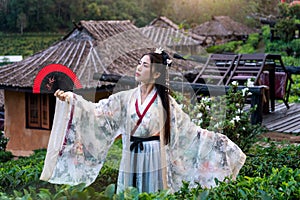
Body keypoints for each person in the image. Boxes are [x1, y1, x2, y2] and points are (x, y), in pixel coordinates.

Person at [40, 48, 246, 194]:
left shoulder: (167, 103)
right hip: (131, 155)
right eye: (139, 63)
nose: (138, 68)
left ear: (156, 73)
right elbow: (98, 112)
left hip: (155, 157)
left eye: (144, 65)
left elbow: (188, 132)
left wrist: (218, 142)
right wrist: (72, 99)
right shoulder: (125, 97)